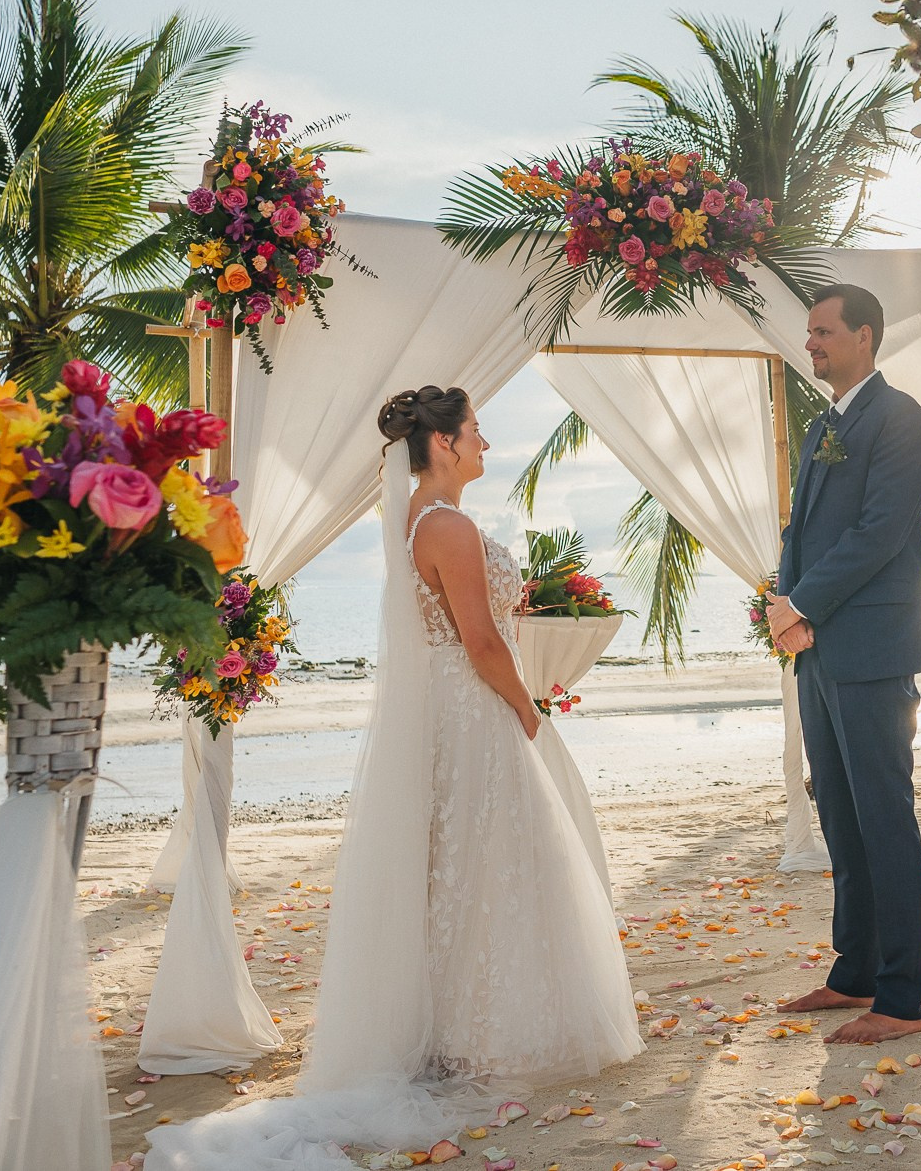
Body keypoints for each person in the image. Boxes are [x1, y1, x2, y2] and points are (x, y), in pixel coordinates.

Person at [146, 387, 641, 1171]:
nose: (486, 443)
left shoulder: (414, 517)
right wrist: (528, 709)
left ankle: (453, 1027)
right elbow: (479, 639)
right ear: (442, 442)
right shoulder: (446, 523)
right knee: (490, 861)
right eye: (476, 432)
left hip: (447, 705)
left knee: (462, 865)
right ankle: (482, 1033)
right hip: (473, 705)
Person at [768, 284, 921, 1045]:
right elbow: (801, 532)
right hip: (820, 651)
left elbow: (879, 532)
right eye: (809, 332)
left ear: (864, 337)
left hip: (874, 650)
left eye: (823, 331)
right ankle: (855, 974)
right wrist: (787, 604)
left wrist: (801, 602)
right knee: (840, 815)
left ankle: (901, 998)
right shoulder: (822, 425)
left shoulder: (900, 418)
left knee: (884, 819)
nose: (810, 343)